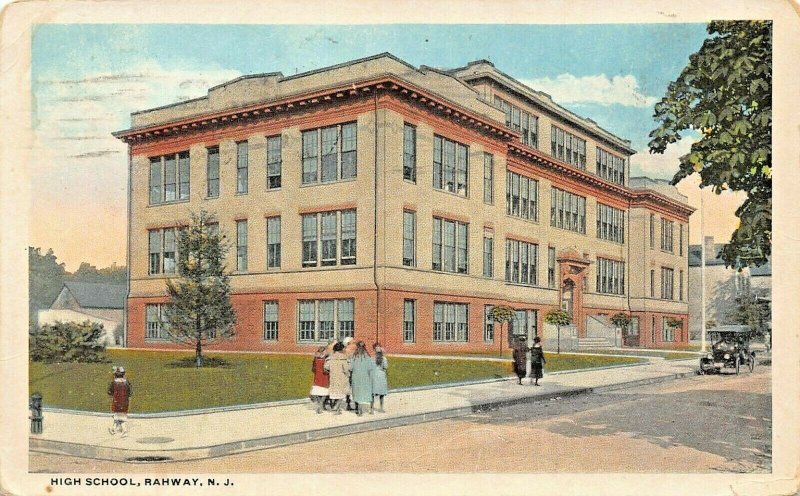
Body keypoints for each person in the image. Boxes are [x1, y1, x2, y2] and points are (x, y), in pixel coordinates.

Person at [324, 342, 351, 414]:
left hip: (333, 376)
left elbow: (326, 367)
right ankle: (336, 407)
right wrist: (348, 374)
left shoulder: (331, 357)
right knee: (342, 393)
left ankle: (336, 407)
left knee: (335, 392)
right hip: (342, 377)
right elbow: (346, 369)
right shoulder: (343, 358)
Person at [349, 341, 375, 416]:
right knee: (364, 392)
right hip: (365, 376)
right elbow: (370, 368)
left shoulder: (354, 356)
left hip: (356, 376)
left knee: (357, 392)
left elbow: (350, 368)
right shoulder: (367, 356)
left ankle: (358, 408)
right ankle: (369, 409)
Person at [107, 366, 132, 437]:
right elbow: (130, 393)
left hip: (116, 402)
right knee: (119, 416)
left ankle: (124, 431)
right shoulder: (127, 382)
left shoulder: (113, 382)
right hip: (125, 402)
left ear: (115, 374)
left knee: (118, 416)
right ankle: (113, 428)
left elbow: (109, 392)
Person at [310, 346, 330, 413]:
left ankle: (319, 404)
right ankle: (321, 404)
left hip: (317, 377)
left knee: (317, 391)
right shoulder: (326, 359)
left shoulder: (315, 359)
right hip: (324, 377)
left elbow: (313, 369)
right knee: (324, 392)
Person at [371, 343, 389, 412]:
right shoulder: (384, 358)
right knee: (381, 394)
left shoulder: (372, 358)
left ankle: (371, 408)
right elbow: (386, 367)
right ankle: (381, 408)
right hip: (381, 376)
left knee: (372, 393)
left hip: (374, 375)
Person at [342, 336, 357, 410]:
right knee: (348, 387)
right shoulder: (347, 351)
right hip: (348, 372)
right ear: (348, 344)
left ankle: (349, 402)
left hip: (351, 371)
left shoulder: (352, 351)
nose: (354, 344)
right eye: (353, 343)